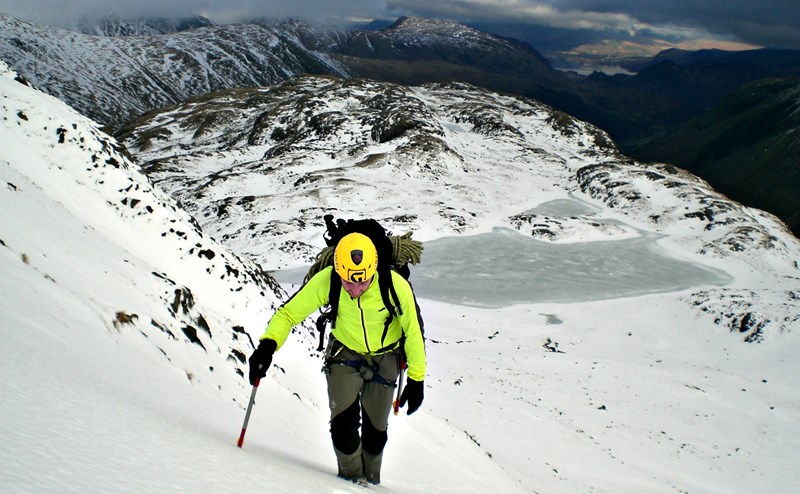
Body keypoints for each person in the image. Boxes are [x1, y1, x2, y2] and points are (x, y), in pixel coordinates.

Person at [248, 231, 426, 485]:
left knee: (376, 434)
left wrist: (416, 380)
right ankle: (351, 482)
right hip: (345, 354)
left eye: (362, 282)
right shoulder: (328, 280)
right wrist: (267, 347)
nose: (355, 289)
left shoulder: (395, 286)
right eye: (348, 282)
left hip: (386, 357)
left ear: (374, 269)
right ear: (339, 271)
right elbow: (288, 314)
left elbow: (412, 332)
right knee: (343, 427)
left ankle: (371, 483)